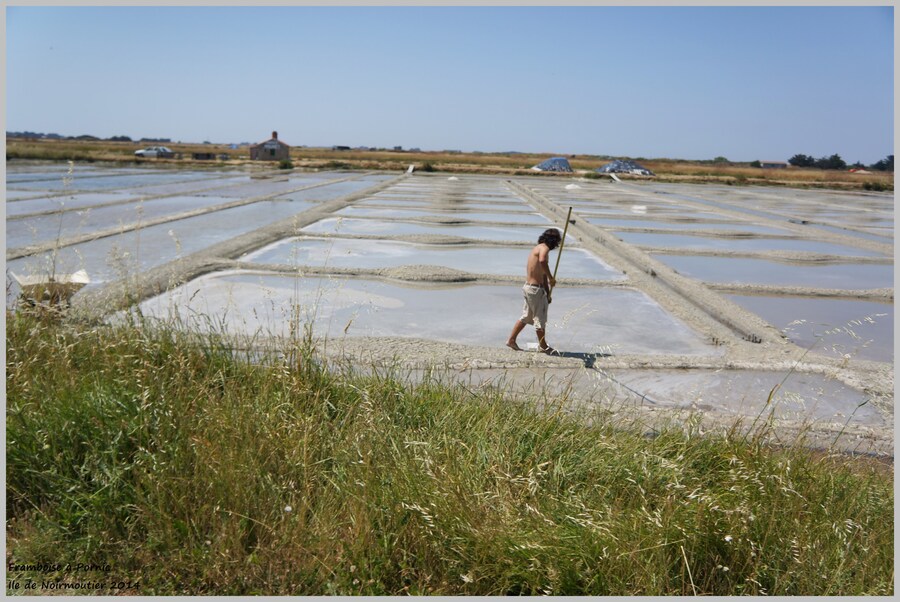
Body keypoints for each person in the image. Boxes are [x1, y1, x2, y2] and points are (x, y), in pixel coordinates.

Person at [506, 228, 562, 354]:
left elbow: (542, 276)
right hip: (535, 290)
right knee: (539, 319)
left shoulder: (537, 248)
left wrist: (547, 293)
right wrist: (551, 277)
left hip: (530, 288)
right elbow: (543, 262)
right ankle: (544, 346)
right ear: (553, 241)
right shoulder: (544, 248)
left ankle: (511, 340)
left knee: (526, 317)